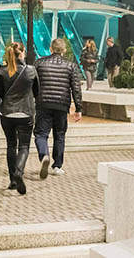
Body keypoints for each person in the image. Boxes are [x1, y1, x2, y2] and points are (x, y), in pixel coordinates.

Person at [33, 38, 83, 178]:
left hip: (43, 104)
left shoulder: (39, 63)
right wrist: (78, 108)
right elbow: (76, 88)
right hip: (62, 105)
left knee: (40, 134)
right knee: (59, 135)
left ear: (50, 48)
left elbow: (33, 83)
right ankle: (57, 166)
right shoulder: (71, 66)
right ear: (64, 50)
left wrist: (34, 98)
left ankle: (44, 155)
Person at [0, 42, 38, 195]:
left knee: (11, 145)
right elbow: (37, 92)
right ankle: (19, 172)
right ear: (22, 53)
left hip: (7, 113)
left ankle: (13, 180)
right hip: (25, 113)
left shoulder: (2, 71)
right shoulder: (30, 71)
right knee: (24, 146)